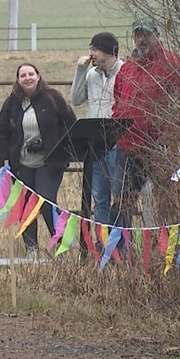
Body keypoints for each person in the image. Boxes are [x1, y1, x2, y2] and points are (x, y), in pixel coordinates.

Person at [111, 17, 180, 227]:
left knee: (163, 202)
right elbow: (118, 100)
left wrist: (167, 139)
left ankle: (162, 252)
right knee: (121, 204)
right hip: (127, 148)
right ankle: (119, 254)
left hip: (158, 149)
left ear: (157, 35)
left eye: (146, 33)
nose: (141, 39)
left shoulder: (171, 65)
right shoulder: (127, 68)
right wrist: (118, 130)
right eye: (137, 34)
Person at [0, 63, 77, 256]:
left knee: (46, 201)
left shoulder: (53, 98)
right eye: (23, 75)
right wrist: (2, 160)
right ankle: (31, 248)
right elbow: (2, 132)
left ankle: (61, 246)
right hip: (21, 163)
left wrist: (59, 150)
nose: (27, 78)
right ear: (18, 80)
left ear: (38, 76)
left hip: (49, 162)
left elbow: (70, 124)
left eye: (31, 74)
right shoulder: (12, 103)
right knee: (25, 205)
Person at [69, 31, 123, 224]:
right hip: (95, 142)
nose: (91, 53)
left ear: (108, 51)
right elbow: (75, 99)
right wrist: (80, 70)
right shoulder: (91, 74)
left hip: (117, 141)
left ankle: (120, 244)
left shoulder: (124, 72)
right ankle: (102, 243)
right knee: (100, 198)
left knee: (120, 196)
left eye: (95, 49)